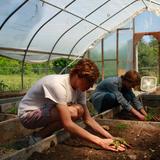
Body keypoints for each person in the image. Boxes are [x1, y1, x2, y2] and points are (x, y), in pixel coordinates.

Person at [18, 58, 125, 152]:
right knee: (73, 112)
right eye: (89, 82)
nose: (91, 86)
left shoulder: (80, 90)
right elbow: (68, 124)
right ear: (78, 75)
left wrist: (110, 137)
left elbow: (88, 119)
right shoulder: (57, 85)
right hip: (28, 115)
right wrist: (100, 141)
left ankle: (38, 136)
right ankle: (37, 137)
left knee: (80, 110)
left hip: (45, 111)